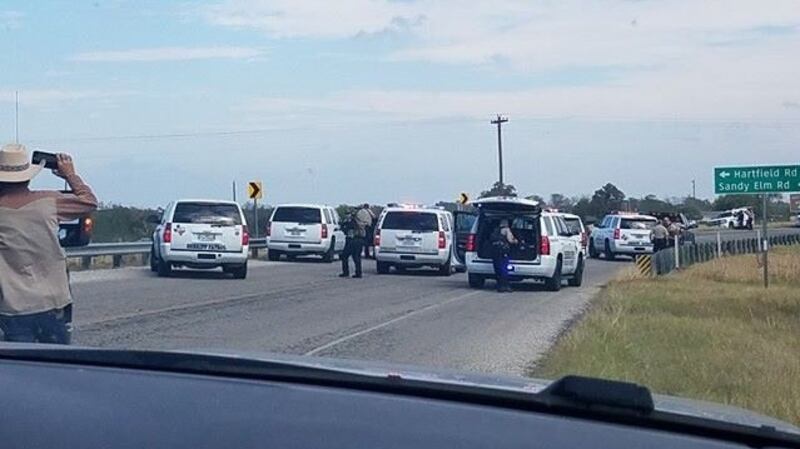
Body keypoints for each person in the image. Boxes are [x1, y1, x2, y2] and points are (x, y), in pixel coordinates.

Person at [0, 144, 98, 344]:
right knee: (56, 364)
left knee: (19, 368)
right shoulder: (49, 201)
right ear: (28, 175)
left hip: (12, 306)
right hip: (52, 302)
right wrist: (70, 175)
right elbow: (89, 202)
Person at [489, 219, 518, 293]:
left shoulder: (495, 230)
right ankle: (505, 286)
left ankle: (499, 286)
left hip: (494, 251)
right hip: (503, 252)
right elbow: (510, 240)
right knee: (504, 269)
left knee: (497, 268)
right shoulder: (506, 230)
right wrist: (516, 241)